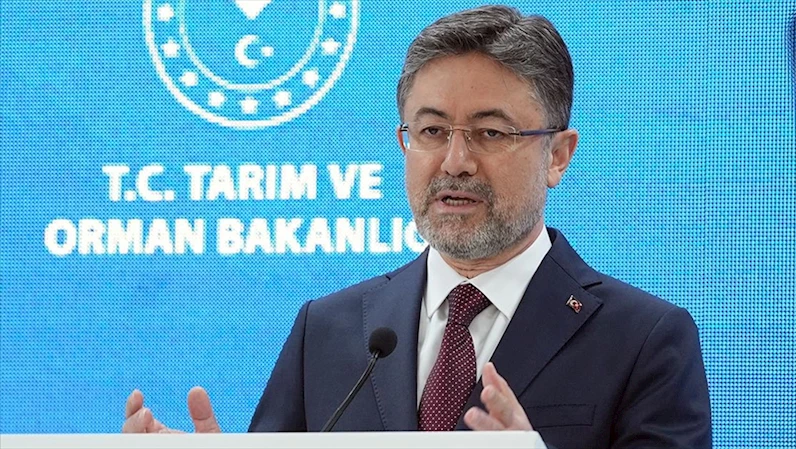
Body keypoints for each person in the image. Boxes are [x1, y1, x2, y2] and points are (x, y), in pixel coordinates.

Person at [123, 5, 712, 448]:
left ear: (557, 155)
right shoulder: (327, 331)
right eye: (431, 131)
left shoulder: (643, 340)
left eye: (490, 132)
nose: (455, 161)